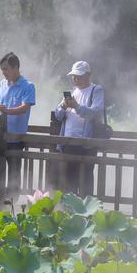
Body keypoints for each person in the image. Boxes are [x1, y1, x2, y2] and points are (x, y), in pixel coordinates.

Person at [54, 61, 104, 197]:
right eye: (74, 76)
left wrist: (76, 106)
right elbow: (58, 115)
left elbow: (95, 112)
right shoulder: (71, 93)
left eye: (79, 76)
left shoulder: (96, 90)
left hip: (86, 143)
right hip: (68, 142)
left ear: (88, 75)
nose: (76, 79)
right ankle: (70, 211)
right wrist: (64, 106)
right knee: (70, 179)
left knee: (86, 178)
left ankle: (86, 211)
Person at [0, 52, 35, 197]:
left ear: (15, 67)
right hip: (0, 136)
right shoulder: (1, 84)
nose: (3, 73)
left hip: (16, 138)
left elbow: (25, 108)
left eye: (5, 69)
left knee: (14, 172)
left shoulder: (28, 86)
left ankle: (13, 201)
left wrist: (7, 111)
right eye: (2, 69)